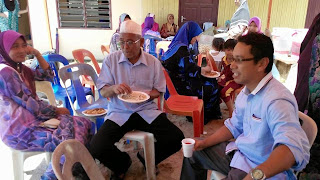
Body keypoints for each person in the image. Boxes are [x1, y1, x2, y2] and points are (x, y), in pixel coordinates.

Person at [180, 33, 310, 180]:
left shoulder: (277, 100)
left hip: (261, 168)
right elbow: (233, 126)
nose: (232, 65)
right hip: (240, 155)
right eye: (232, 59)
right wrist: (204, 143)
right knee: (193, 152)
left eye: (239, 60)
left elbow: (292, 149)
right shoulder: (246, 92)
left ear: (261, 63)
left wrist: (257, 174)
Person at [88, 20, 184, 179]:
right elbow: (103, 92)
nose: (125, 47)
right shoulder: (111, 61)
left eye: (130, 42)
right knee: (97, 146)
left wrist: (143, 94)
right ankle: (122, 163)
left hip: (145, 111)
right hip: (119, 112)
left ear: (142, 42)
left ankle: (145, 158)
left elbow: (158, 91)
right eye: (122, 42)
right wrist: (113, 88)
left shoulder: (153, 62)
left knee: (175, 137)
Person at [0, 30, 94, 179]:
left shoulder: (20, 68)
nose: (21, 50)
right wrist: (57, 110)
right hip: (20, 131)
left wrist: (37, 54)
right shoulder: (5, 73)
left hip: (36, 121)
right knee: (70, 140)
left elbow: (48, 75)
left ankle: (77, 170)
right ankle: (52, 176)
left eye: (24, 46)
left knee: (84, 123)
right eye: (15, 46)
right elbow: (33, 106)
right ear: (4, 48)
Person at [161, 21, 222, 124]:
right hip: (181, 86)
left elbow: (187, 67)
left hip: (174, 82)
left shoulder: (175, 45)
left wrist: (200, 69)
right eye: (195, 36)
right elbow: (188, 69)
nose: (195, 39)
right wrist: (202, 70)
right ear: (190, 34)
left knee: (208, 79)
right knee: (211, 85)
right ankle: (202, 116)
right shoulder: (181, 49)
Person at [217, 39, 242, 118]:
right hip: (226, 79)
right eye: (228, 50)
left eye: (233, 50)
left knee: (225, 92)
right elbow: (222, 70)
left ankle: (232, 111)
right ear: (224, 50)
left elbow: (241, 73)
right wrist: (219, 76)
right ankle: (215, 109)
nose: (230, 52)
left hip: (236, 80)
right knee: (215, 88)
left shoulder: (237, 61)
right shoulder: (223, 59)